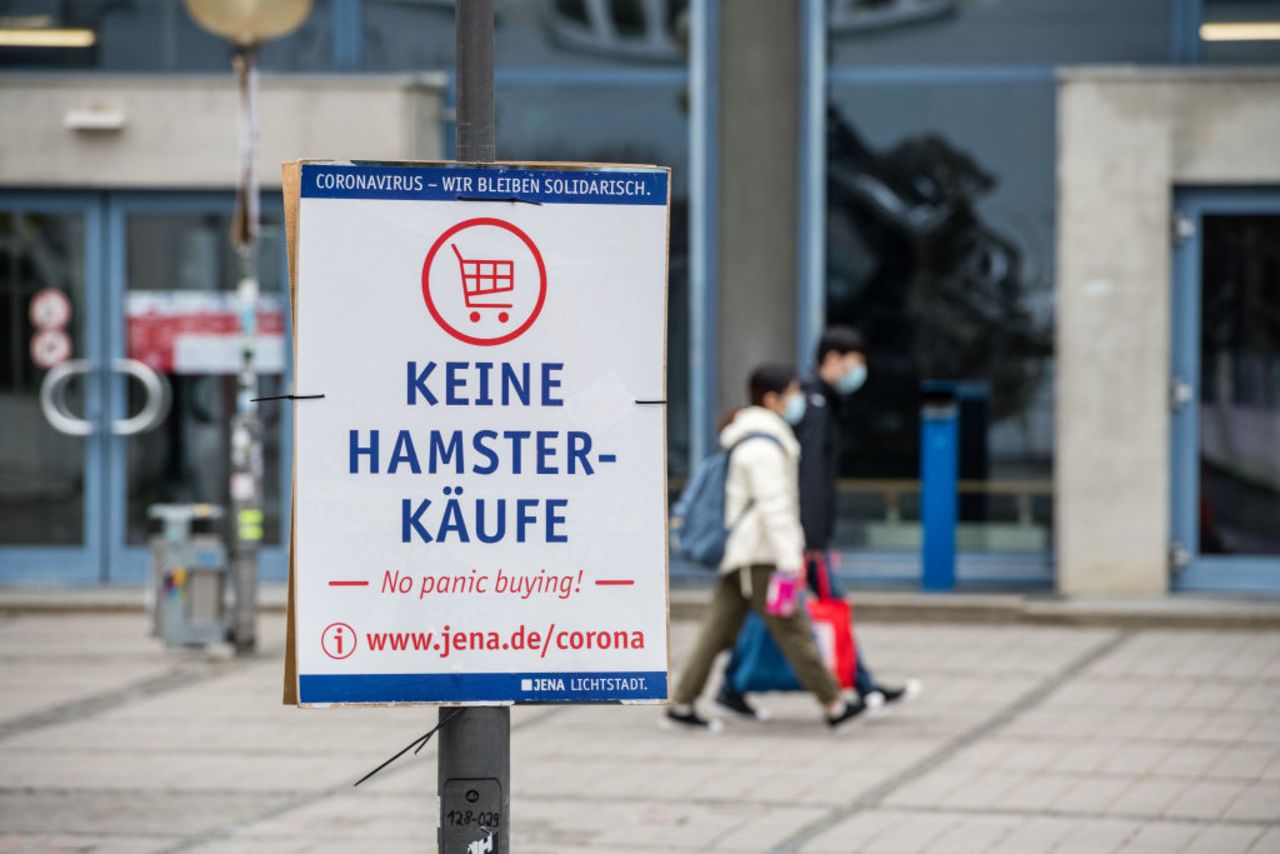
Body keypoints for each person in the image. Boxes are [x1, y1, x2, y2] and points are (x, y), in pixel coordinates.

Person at [716, 327, 920, 721]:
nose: (858, 372)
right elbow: (806, 477)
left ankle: (731, 686)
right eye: (854, 364)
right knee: (818, 605)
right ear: (832, 359)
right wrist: (809, 537)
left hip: (799, 535)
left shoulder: (821, 400)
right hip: (799, 537)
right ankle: (854, 689)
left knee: (766, 611)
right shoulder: (813, 403)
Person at [666, 363, 865, 732]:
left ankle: (681, 702)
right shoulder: (762, 447)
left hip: (746, 555)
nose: (798, 401)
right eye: (792, 393)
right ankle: (835, 704)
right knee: (792, 629)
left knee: (716, 631)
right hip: (761, 556)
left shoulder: (758, 438)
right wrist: (791, 560)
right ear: (772, 399)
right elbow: (776, 509)